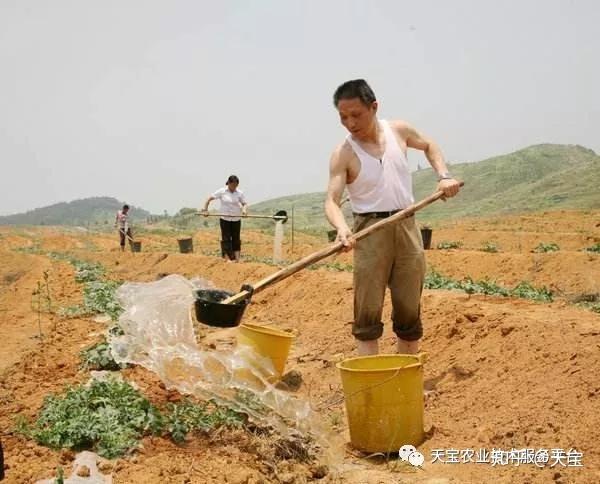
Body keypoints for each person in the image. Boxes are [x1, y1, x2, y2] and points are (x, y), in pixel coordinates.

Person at [324, 79, 461, 356]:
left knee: (409, 305)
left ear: (374, 107)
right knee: (367, 308)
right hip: (370, 231)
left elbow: (429, 145)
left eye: (356, 115)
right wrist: (341, 229)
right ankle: (371, 384)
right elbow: (331, 201)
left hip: (407, 224)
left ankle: (405, 377)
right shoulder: (344, 153)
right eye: (343, 117)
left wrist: (444, 176)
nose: (350, 123)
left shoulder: (399, 130)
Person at [202, 175, 248, 262]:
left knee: (236, 238)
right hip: (225, 219)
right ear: (229, 183)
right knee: (226, 239)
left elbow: (244, 203)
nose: (234, 187)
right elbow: (209, 199)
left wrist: (244, 211)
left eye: (236, 186)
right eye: (233, 185)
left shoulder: (239, 193)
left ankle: (237, 259)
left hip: (236, 219)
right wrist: (205, 210)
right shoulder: (222, 191)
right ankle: (227, 259)